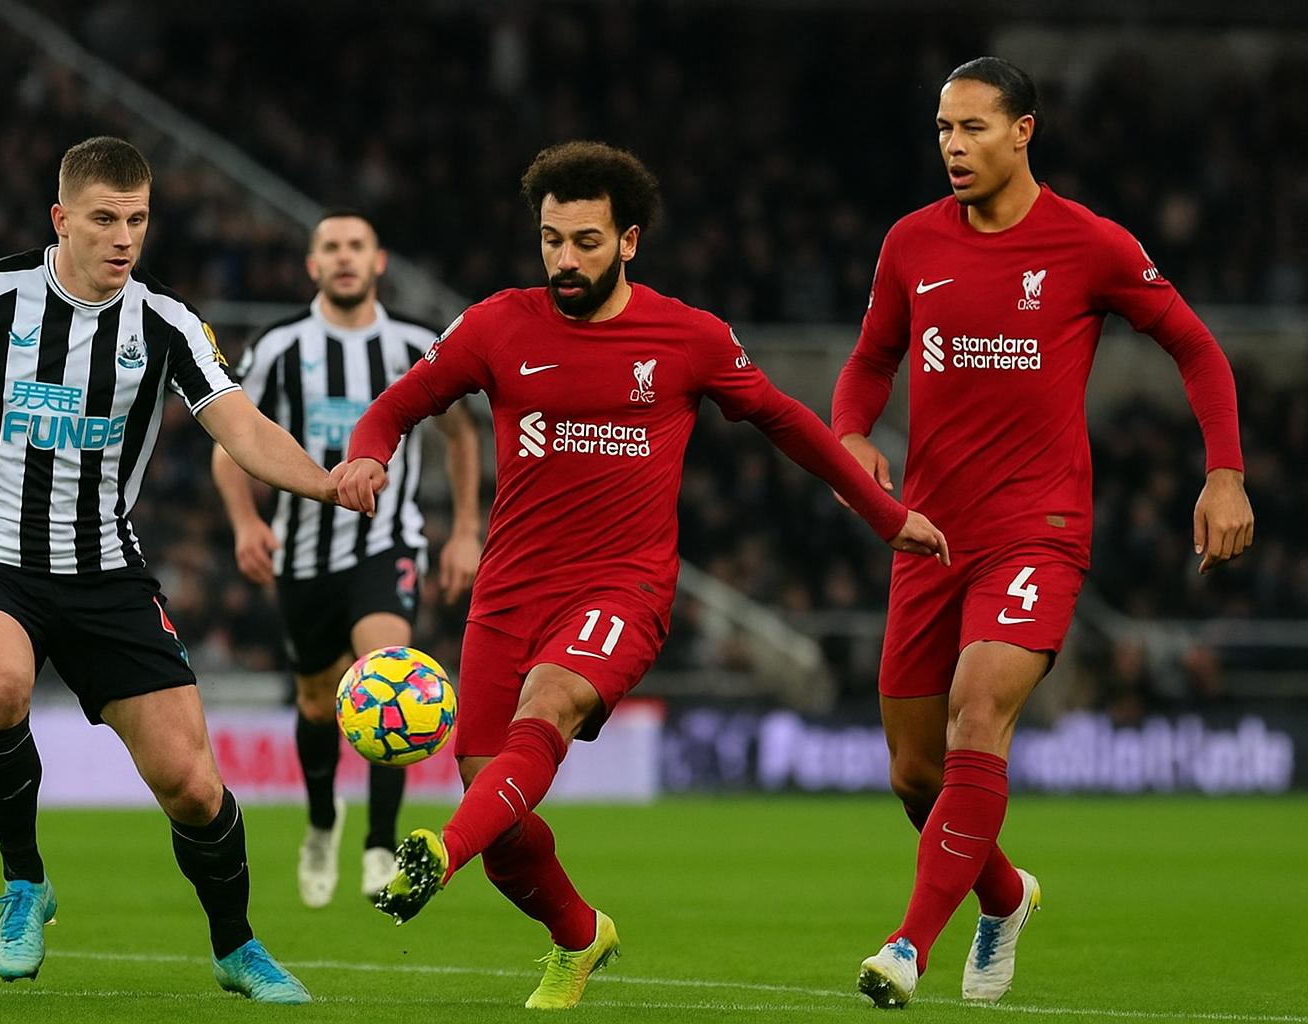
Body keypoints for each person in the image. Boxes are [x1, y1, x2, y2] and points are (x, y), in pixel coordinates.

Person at [332, 140, 951, 1009]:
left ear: (629, 241)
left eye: (585, 241)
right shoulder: (497, 325)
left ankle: (437, 854)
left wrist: (886, 516)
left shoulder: (687, 337)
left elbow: (788, 423)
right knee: (495, 798)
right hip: (508, 592)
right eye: (550, 239)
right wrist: (367, 455)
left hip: (622, 588)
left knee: (545, 706)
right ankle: (580, 937)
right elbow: (397, 406)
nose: (564, 260)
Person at [0, 136, 337, 1004]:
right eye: (104, 220)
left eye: (138, 220)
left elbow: (242, 427)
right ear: (62, 219)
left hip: (106, 573)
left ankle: (237, 948)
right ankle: (24, 882)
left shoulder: (165, 322)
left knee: (194, 785)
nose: (124, 238)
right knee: (0, 687)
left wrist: (327, 481)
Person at [831, 58, 1254, 1009]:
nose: (952, 145)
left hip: (1040, 529)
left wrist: (1224, 471)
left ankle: (908, 945)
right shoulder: (910, 244)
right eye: (943, 127)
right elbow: (869, 360)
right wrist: (852, 433)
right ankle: (1006, 894)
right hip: (931, 534)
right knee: (913, 770)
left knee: (977, 709)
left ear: (1024, 131)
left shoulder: (1089, 244)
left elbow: (1194, 344)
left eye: (974, 127)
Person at [212, 209, 482, 908]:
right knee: (314, 700)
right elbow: (228, 442)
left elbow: (460, 437)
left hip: (386, 544)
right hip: (303, 553)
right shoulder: (278, 346)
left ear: (378, 261)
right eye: (330, 247)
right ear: (312, 265)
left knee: (387, 675)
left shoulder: (418, 345)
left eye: (355, 246)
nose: (343, 258)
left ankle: (379, 842)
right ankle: (324, 822)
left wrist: (463, 530)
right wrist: (245, 522)